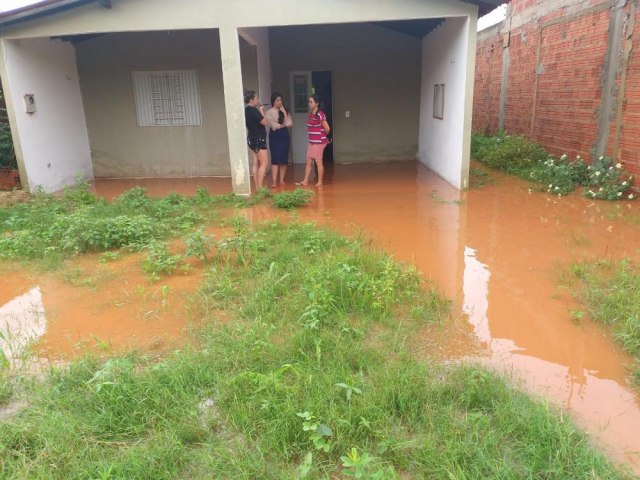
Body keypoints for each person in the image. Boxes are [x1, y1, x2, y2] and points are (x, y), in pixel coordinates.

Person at [296, 94, 331, 187]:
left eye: (311, 102)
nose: (309, 104)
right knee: (308, 161)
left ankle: (320, 182)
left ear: (317, 103)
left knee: (318, 162)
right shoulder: (311, 114)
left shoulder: (320, 114)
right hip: (312, 142)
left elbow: (327, 128)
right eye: (309, 102)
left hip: (319, 142)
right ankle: (305, 180)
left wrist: (322, 136)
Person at [265, 92, 293, 187]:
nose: (280, 102)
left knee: (283, 159)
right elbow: (273, 125)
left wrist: (284, 112)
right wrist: (283, 125)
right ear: (273, 101)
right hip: (275, 136)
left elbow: (290, 123)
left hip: (284, 135)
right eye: (278, 100)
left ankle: (281, 180)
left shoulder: (285, 110)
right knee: (275, 158)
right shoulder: (269, 112)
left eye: (281, 100)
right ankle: (274, 182)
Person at [244, 90, 268, 190]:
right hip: (259, 139)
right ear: (252, 99)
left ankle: (257, 187)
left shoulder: (246, 110)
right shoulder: (254, 110)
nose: (258, 100)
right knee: (264, 163)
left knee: (255, 162)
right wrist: (262, 111)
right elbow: (264, 122)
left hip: (251, 138)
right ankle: (260, 187)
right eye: (257, 98)